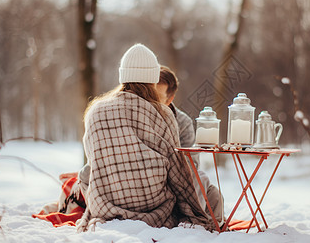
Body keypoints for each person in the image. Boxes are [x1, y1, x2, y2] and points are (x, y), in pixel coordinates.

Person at [76, 43, 214, 232]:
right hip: (154, 210)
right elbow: (178, 172)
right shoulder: (163, 113)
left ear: (123, 76)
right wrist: (192, 213)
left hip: (106, 207)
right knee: (198, 182)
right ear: (152, 78)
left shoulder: (95, 110)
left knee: (85, 174)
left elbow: (94, 159)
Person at [156, 65, 224, 225]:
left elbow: (190, 164)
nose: (151, 102)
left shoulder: (183, 122)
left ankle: (199, 223)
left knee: (207, 186)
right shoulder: (139, 116)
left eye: (157, 97)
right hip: (150, 176)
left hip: (176, 177)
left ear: (169, 99)